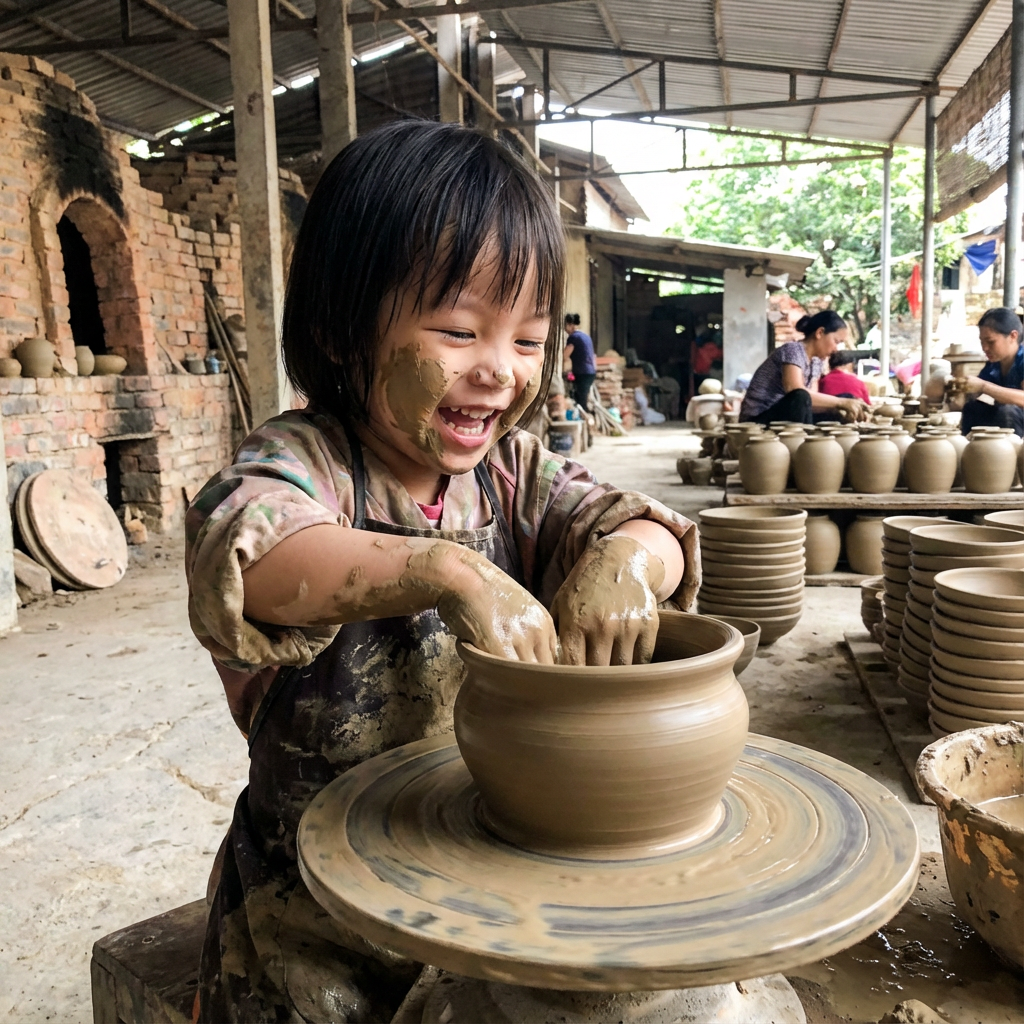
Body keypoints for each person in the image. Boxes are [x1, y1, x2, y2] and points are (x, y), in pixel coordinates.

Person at [184, 121, 698, 1022]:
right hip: (320, 909)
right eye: (460, 330)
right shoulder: (309, 462)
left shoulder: (516, 475)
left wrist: (623, 558)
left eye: (531, 341)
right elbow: (250, 551)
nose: (499, 371)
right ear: (343, 329)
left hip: (495, 888)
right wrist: (447, 571)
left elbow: (650, 529)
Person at [740, 310, 870, 424]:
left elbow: (811, 404)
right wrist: (840, 402)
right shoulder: (793, 350)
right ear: (820, 333)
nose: (837, 349)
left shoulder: (817, 362)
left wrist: (844, 405)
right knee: (802, 396)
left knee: (846, 399)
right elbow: (795, 392)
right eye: (836, 342)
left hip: (786, 416)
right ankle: (806, 446)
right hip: (757, 420)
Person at [960, 307, 1024, 436]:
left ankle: (1013, 455)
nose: (985, 348)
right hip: (1006, 419)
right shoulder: (993, 365)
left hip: (1015, 423)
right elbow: (975, 392)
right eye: (982, 342)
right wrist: (959, 388)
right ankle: (971, 450)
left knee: (1008, 411)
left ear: (1013, 336)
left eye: (990, 342)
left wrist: (984, 386)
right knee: (972, 408)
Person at [563, 312, 596, 410]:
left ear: (570, 325)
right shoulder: (586, 336)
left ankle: (585, 421)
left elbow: (565, 355)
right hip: (590, 372)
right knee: (583, 398)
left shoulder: (573, 337)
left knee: (581, 402)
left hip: (582, 373)